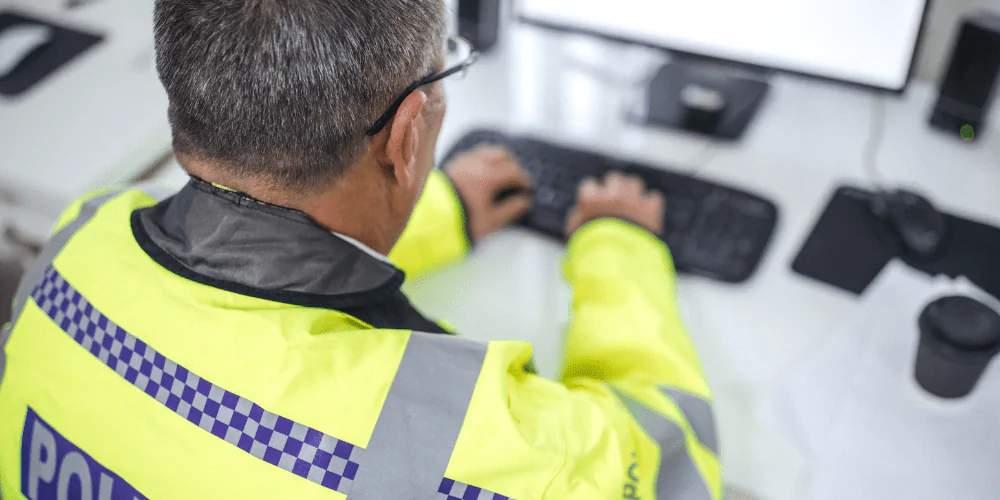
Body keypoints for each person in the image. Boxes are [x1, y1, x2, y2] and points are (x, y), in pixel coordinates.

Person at [0, 1, 720, 498]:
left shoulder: (77, 241)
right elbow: (668, 453)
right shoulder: (469, 448)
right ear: (407, 139)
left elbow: (247, 243)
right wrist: (618, 250)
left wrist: (436, 214)